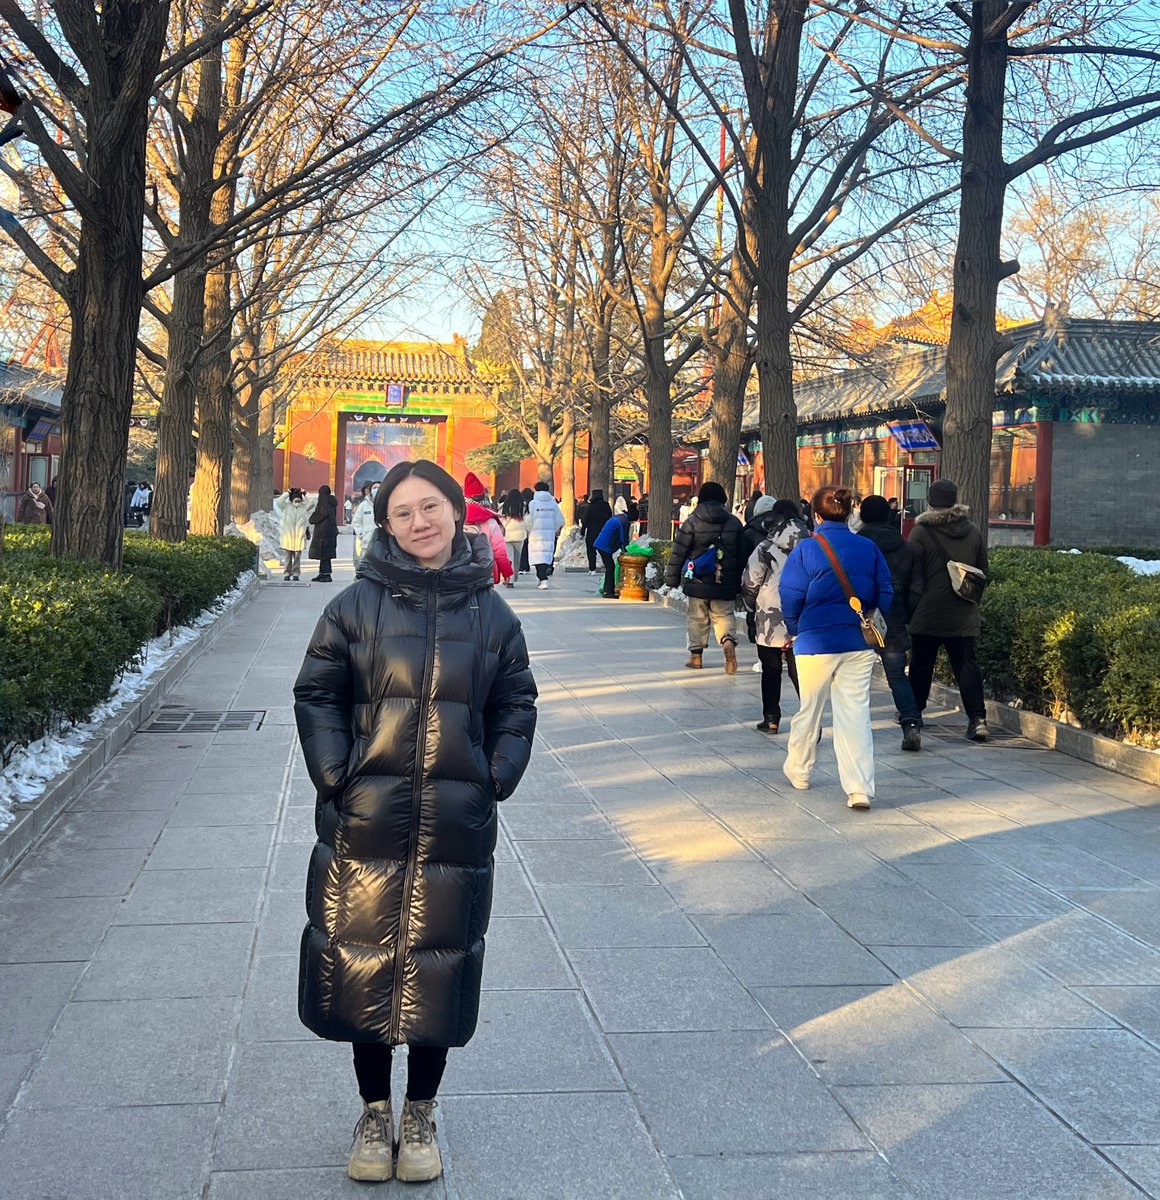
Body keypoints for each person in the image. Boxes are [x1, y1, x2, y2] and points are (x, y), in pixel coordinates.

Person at [293, 459, 537, 1185]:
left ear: (457, 511)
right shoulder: (353, 607)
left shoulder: (492, 614)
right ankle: (374, 1112)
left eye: (430, 506)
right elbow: (316, 691)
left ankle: (421, 1111)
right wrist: (336, 773)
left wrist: (496, 774)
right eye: (402, 512)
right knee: (363, 962)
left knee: (440, 963)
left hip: (455, 822)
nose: (419, 522)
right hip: (366, 818)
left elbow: (516, 700)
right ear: (385, 523)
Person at [779, 485, 893, 811]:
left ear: (816, 515)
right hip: (858, 641)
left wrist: (796, 627)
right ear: (849, 513)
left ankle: (799, 770)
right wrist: (870, 614)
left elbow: (791, 593)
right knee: (855, 713)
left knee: (810, 709)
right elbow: (885, 591)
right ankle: (859, 788)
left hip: (815, 640)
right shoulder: (868, 547)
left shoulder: (806, 550)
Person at [905, 478, 990, 741]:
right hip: (963, 611)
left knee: (921, 665)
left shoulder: (920, 532)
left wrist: (910, 607)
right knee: (966, 666)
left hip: (927, 610)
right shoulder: (972, 531)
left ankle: (914, 717)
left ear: (930, 501)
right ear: (955, 501)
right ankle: (977, 719)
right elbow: (983, 570)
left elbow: (911, 572)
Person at [857, 495, 924, 751]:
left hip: (859, 619)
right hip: (893, 619)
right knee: (897, 676)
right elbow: (916, 588)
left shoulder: (856, 545)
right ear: (888, 515)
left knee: (853, 678)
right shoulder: (907, 548)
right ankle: (911, 723)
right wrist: (906, 615)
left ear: (863, 516)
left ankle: (853, 728)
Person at [741, 499, 808, 733]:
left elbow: (750, 581)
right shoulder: (812, 545)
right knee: (800, 669)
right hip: (803, 611)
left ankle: (771, 717)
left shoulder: (766, 547)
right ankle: (810, 717)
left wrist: (751, 606)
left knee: (770, 668)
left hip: (771, 613)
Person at [664, 481, 744, 673]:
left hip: (698, 580)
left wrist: (672, 578)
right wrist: (739, 581)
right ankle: (727, 642)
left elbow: (679, 552)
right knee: (724, 615)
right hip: (724, 580)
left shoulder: (692, 522)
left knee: (697, 617)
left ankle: (696, 657)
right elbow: (742, 554)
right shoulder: (733, 522)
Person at [462, 472, 513, 585]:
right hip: (485, 569)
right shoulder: (490, 520)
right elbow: (499, 549)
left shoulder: (456, 517)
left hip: (460, 569)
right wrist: (506, 571)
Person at [527, 481, 565, 589]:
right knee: (546, 556)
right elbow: (560, 520)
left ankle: (542, 578)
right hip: (549, 534)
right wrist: (554, 529)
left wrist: (528, 530)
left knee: (537, 556)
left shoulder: (533, 503)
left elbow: (528, 519)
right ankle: (542, 578)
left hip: (535, 534)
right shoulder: (553, 504)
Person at [592, 505, 632, 598]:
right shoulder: (623, 521)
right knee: (610, 567)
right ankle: (608, 591)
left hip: (601, 543)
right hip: (605, 545)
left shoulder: (618, 517)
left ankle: (608, 589)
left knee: (610, 567)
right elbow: (623, 537)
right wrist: (626, 548)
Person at [274, 487, 310, 580]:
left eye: (299, 500)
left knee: (297, 557)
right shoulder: (286, 507)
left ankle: (296, 573)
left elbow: (312, 502)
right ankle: (287, 573)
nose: (297, 502)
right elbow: (279, 501)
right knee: (287, 557)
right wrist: (287, 493)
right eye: (295, 499)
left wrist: (305, 494)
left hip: (299, 537)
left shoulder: (304, 507)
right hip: (288, 536)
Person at [308, 484, 338, 582]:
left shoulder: (324, 502)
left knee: (324, 554)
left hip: (324, 532)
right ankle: (322, 573)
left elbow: (321, 515)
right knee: (325, 555)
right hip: (330, 531)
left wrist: (312, 518)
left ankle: (326, 575)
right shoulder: (332, 502)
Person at [499, 490, 530, 586]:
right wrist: (528, 531)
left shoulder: (504, 506)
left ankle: (509, 578)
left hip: (507, 535)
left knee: (509, 558)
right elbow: (528, 520)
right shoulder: (524, 507)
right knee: (517, 559)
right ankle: (514, 577)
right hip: (520, 535)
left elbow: (499, 519)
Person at [581, 488, 613, 574]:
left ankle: (592, 569)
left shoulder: (591, 507)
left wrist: (583, 531)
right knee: (604, 550)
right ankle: (608, 567)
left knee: (591, 551)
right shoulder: (606, 506)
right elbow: (610, 518)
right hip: (604, 532)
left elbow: (585, 520)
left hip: (592, 532)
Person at [351, 483, 376, 567]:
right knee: (365, 563)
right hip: (366, 539)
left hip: (382, 543)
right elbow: (356, 521)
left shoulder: (385, 504)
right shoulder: (363, 505)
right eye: (374, 488)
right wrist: (361, 533)